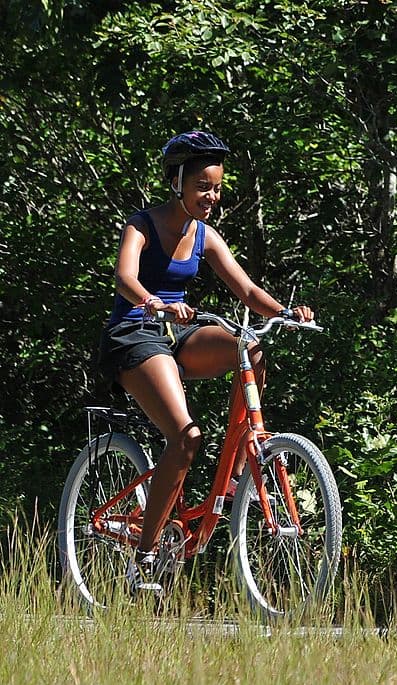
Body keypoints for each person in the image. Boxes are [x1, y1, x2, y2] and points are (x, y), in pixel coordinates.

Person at [96, 130, 314, 593]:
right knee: (186, 436)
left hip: (179, 333)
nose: (211, 197)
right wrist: (153, 302)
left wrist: (285, 314)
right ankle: (146, 555)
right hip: (136, 332)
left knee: (249, 347)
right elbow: (123, 277)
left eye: (216, 187)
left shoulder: (205, 236)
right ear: (176, 182)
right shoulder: (142, 225)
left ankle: (235, 481)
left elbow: (249, 292)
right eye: (202, 187)